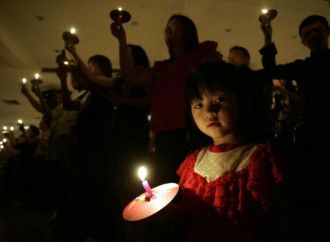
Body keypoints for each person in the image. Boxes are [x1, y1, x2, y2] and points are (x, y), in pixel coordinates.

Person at [156, 61, 294, 242]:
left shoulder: (260, 157)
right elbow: (189, 212)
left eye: (219, 99)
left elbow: (283, 218)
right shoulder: (194, 162)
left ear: (244, 102)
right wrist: (167, 213)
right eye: (198, 105)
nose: (209, 111)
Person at [111, 14, 222, 185]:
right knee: (167, 184)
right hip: (164, 136)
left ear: (188, 30)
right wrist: (121, 39)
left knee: (195, 184)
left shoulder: (203, 55)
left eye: (175, 23)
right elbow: (131, 76)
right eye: (167, 24)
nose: (168, 27)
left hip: (193, 131)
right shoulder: (162, 68)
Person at [259, 15, 330, 241]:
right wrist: (268, 37)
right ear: (302, 42)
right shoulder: (304, 67)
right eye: (307, 34)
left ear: (327, 32)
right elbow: (271, 71)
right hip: (315, 137)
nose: (312, 36)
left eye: (316, 30)